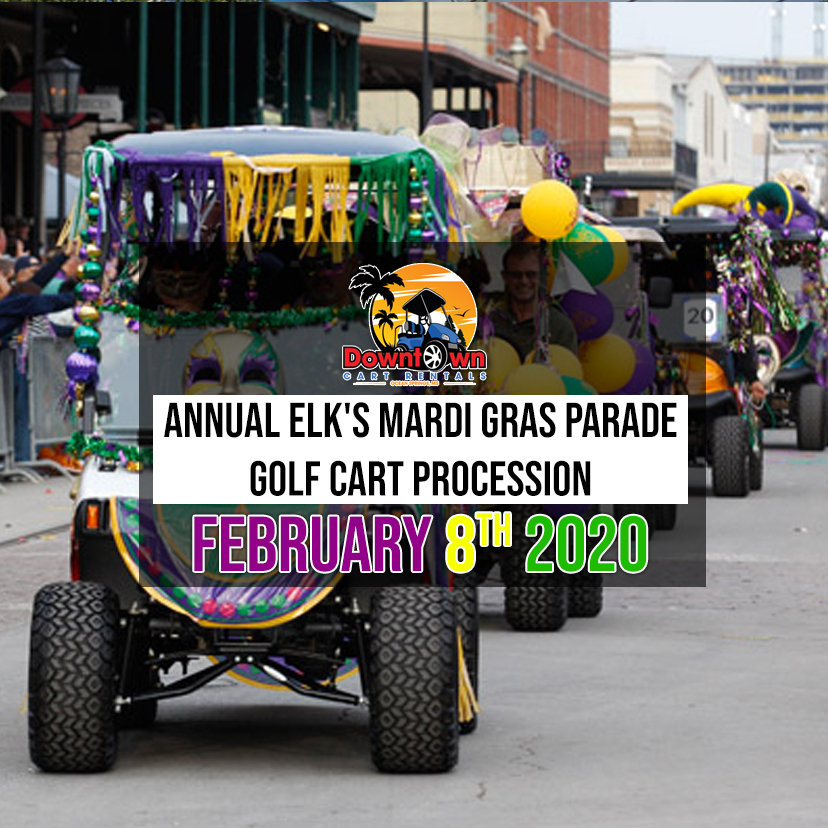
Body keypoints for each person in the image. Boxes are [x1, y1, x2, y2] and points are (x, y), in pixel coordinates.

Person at [488, 242, 578, 360]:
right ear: (505, 277)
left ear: (541, 276)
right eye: (516, 275)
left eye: (531, 275)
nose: (524, 281)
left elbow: (568, 372)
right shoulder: (488, 316)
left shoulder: (558, 327)